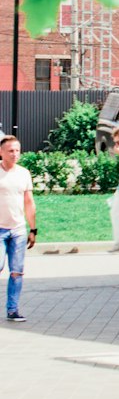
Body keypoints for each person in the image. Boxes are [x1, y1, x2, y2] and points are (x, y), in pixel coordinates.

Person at [0, 135, 36, 323]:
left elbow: (29, 202)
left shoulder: (23, 173)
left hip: (18, 230)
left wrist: (33, 229)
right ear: (1, 152)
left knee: (17, 271)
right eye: (10, 151)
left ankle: (13, 310)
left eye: (17, 151)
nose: (14, 154)